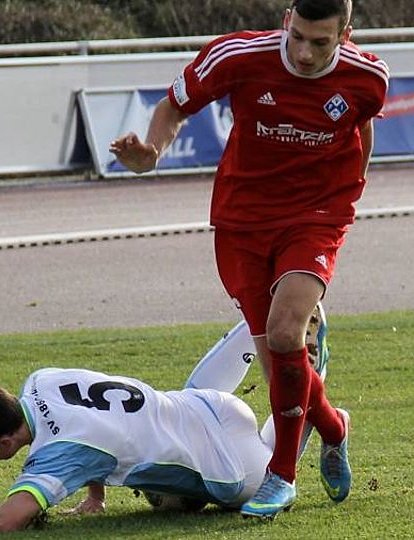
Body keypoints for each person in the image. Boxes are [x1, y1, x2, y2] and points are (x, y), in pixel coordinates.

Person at [110, 0, 388, 518]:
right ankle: (334, 427)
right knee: (277, 363)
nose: (304, 53)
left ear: (345, 34)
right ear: (287, 19)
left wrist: (350, 192)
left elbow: (362, 125)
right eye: (298, 36)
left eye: (321, 43)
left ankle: (281, 476)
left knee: (285, 333)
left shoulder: (368, 76)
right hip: (242, 222)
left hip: (316, 216)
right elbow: (174, 105)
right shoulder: (237, 56)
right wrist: (151, 152)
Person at [0, 309, 334, 532]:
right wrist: (95, 493)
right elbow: (97, 420)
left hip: (232, 470)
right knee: (169, 473)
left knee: (259, 472)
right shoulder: (41, 380)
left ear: (2, 443)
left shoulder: (56, 455)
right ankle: (262, 320)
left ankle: (317, 388)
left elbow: (8, 518)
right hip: (207, 403)